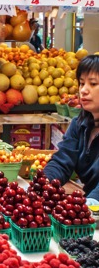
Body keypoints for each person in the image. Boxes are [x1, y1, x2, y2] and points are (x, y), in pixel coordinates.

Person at [44, 55, 99, 207]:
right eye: (82, 83)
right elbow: (62, 161)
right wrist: (44, 184)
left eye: (93, 84)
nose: (84, 90)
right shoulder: (79, 125)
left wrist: (92, 203)